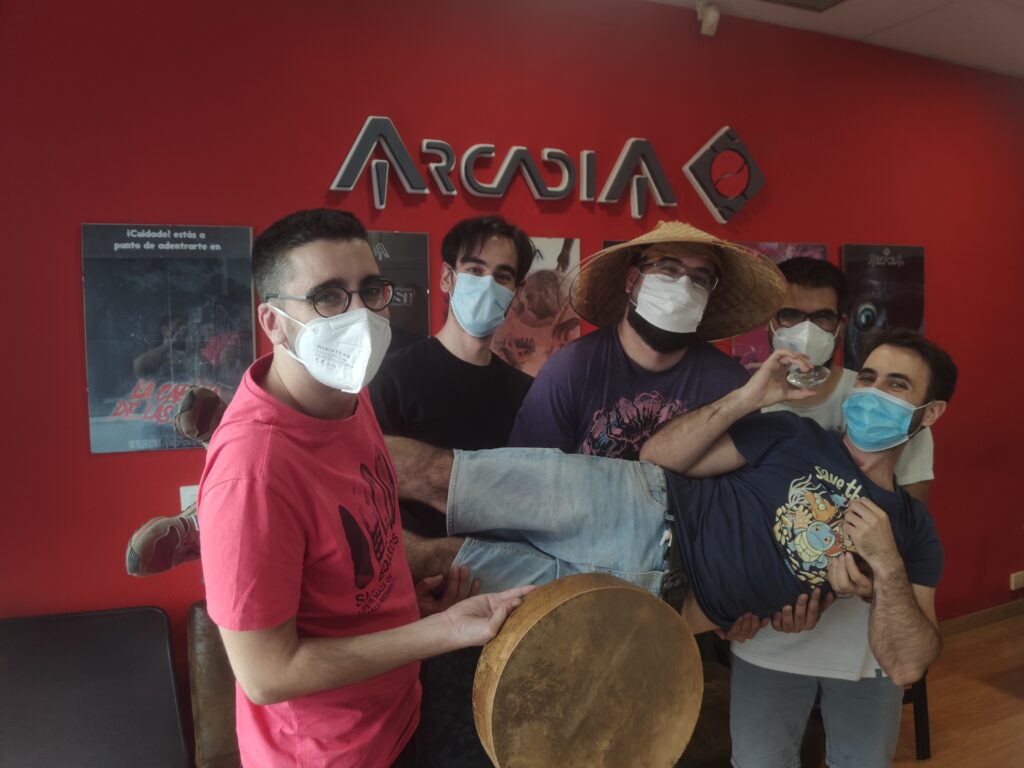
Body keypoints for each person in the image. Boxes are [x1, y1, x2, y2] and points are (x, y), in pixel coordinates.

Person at [388, 330, 956, 691]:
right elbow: (659, 455)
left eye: (896, 385)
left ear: (929, 413)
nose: (871, 392)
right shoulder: (795, 433)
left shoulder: (911, 531)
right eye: (868, 377)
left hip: (651, 604)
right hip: (637, 505)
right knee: (442, 476)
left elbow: (908, 665)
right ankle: (332, 461)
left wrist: (887, 567)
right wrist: (749, 398)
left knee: (443, 562)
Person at [197, 208, 530, 767]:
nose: (360, 314)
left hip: (397, 717)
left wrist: (408, 610)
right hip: (330, 755)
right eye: (328, 297)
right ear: (273, 321)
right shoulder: (252, 472)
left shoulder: (352, 399)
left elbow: (361, 546)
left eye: (370, 291)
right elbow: (267, 675)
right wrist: (439, 632)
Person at [729, 258, 937, 768]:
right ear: (771, 321)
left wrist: (856, 582)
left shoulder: (889, 409)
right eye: (790, 314)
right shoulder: (751, 402)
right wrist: (724, 609)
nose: (806, 329)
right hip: (768, 636)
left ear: (841, 324)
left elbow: (906, 528)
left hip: (863, 642)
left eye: (821, 316)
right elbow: (727, 521)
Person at [368, 215, 535, 767]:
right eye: (475, 269)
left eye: (503, 276)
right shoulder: (392, 380)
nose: (488, 284)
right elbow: (365, 505)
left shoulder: (526, 394)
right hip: (421, 611)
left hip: (510, 605)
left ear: (516, 292)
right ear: (446, 278)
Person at [509, 221, 782, 459]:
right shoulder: (571, 371)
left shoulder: (729, 385)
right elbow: (529, 480)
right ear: (632, 280)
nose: (684, 287)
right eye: (668, 269)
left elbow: (738, 487)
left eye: (699, 279)